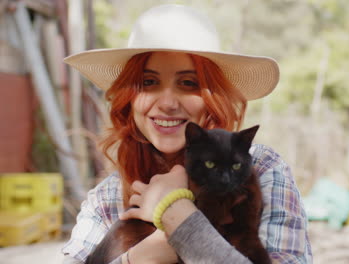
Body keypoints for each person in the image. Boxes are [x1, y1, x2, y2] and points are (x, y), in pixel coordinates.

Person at [62, 4, 313, 264]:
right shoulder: (107, 199)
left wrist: (175, 212)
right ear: (129, 97)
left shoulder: (261, 169)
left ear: (213, 98)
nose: (168, 103)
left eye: (188, 83)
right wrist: (140, 257)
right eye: (149, 82)